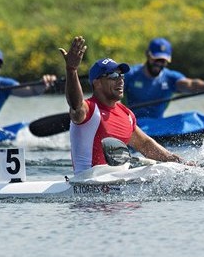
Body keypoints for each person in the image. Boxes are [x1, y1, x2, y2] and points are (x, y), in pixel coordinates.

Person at [59, 36, 185, 175]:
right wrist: (72, 70)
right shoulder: (88, 109)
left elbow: (145, 145)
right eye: (113, 76)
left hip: (119, 183)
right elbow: (75, 105)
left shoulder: (127, 114)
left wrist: (180, 163)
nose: (120, 80)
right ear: (97, 83)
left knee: (160, 169)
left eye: (121, 76)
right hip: (87, 183)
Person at [123, 37, 204, 118]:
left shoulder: (170, 78)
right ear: (148, 55)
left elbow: (191, 84)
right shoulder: (130, 74)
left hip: (156, 126)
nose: (159, 64)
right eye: (156, 59)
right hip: (131, 125)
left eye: (163, 60)